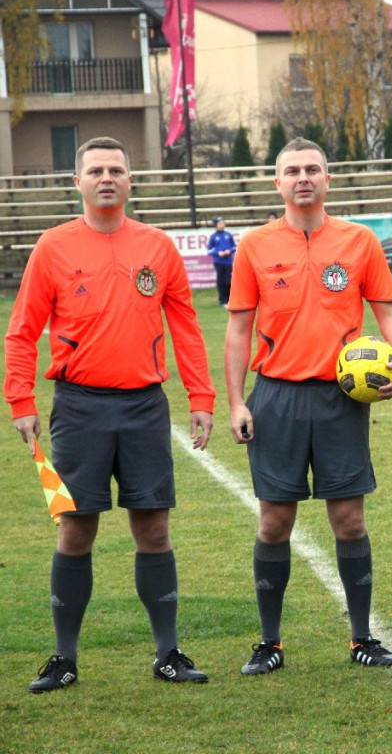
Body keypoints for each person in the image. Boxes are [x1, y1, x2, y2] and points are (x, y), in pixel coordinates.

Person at [4, 136, 215, 692]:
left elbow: (187, 329)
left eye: (116, 170)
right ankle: (63, 657)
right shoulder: (51, 248)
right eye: (95, 170)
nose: (106, 178)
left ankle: (168, 652)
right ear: (77, 181)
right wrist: (21, 401)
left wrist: (200, 397)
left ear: (130, 180)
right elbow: (22, 332)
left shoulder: (158, 247)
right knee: (75, 529)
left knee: (154, 527)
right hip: (77, 409)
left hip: (145, 408)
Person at [225, 137, 392, 673]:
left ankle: (362, 639)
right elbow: (239, 328)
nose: (303, 178)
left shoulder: (359, 242)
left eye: (313, 168)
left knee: (350, 520)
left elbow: (389, 309)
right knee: (273, 522)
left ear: (328, 179)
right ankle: (270, 643)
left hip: (342, 399)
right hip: (278, 398)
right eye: (292, 171)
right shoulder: (255, 247)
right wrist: (238, 401)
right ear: (278, 182)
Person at [207, 217, 236, 307]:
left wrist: (229, 251)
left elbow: (234, 247)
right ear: (216, 225)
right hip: (218, 262)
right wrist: (218, 253)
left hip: (228, 261)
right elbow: (209, 250)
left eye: (223, 223)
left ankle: (229, 299)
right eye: (220, 223)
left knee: (229, 281)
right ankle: (222, 301)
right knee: (221, 281)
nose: (222, 225)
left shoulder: (228, 235)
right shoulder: (213, 237)